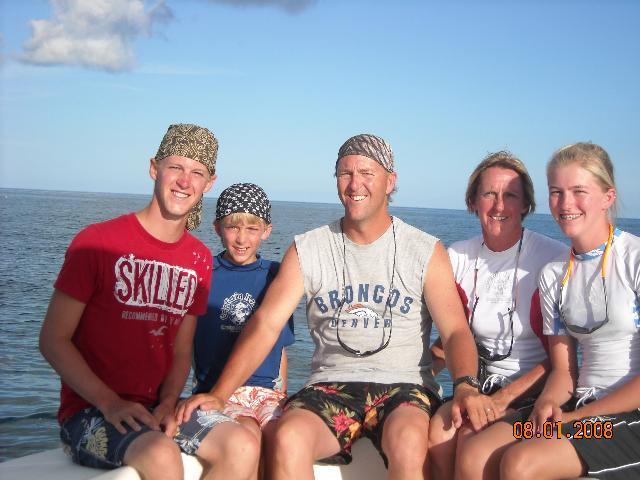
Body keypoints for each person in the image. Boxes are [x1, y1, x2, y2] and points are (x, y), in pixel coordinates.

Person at [177, 133, 493, 480]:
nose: (355, 183)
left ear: (391, 181)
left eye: (366, 173)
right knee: (288, 436)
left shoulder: (424, 250)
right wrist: (220, 394)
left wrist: (464, 384)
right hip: (331, 384)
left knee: (407, 440)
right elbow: (267, 324)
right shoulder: (308, 248)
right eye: (345, 173)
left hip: (404, 386)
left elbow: (455, 330)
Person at [39, 124, 260, 480]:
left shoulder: (198, 258)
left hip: (158, 408)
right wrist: (109, 402)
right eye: (176, 167)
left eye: (197, 172)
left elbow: (181, 350)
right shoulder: (96, 242)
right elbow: (53, 339)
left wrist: (171, 402)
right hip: (90, 412)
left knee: (243, 445)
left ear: (209, 183)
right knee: (160, 455)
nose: (185, 181)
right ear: (154, 168)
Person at [463, 142, 640, 479]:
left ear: (608, 197)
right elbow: (564, 371)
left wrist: (572, 420)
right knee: (475, 452)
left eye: (579, 191)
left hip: (627, 416)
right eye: (557, 192)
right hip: (577, 408)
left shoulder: (634, 261)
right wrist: (548, 403)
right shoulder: (555, 274)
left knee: (521, 463)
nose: (565, 203)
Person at [427, 151, 566, 479]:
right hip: (478, 386)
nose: (499, 206)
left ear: (526, 205)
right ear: (473, 201)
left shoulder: (553, 259)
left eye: (510, 196)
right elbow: (451, 335)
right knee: (438, 434)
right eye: (489, 194)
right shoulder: (457, 257)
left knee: (475, 447)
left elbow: (567, 358)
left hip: (536, 391)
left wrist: (504, 398)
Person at [186, 182, 295, 477]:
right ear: (217, 227)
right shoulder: (203, 274)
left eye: (252, 229)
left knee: (283, 435)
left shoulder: (276, 277)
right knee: (248, 432)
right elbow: (184, 346)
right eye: (233, 227)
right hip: (220, 391)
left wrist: (281, 393)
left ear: (267, 230)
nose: (242, 238)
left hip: (266, 393)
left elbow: (280, 347)